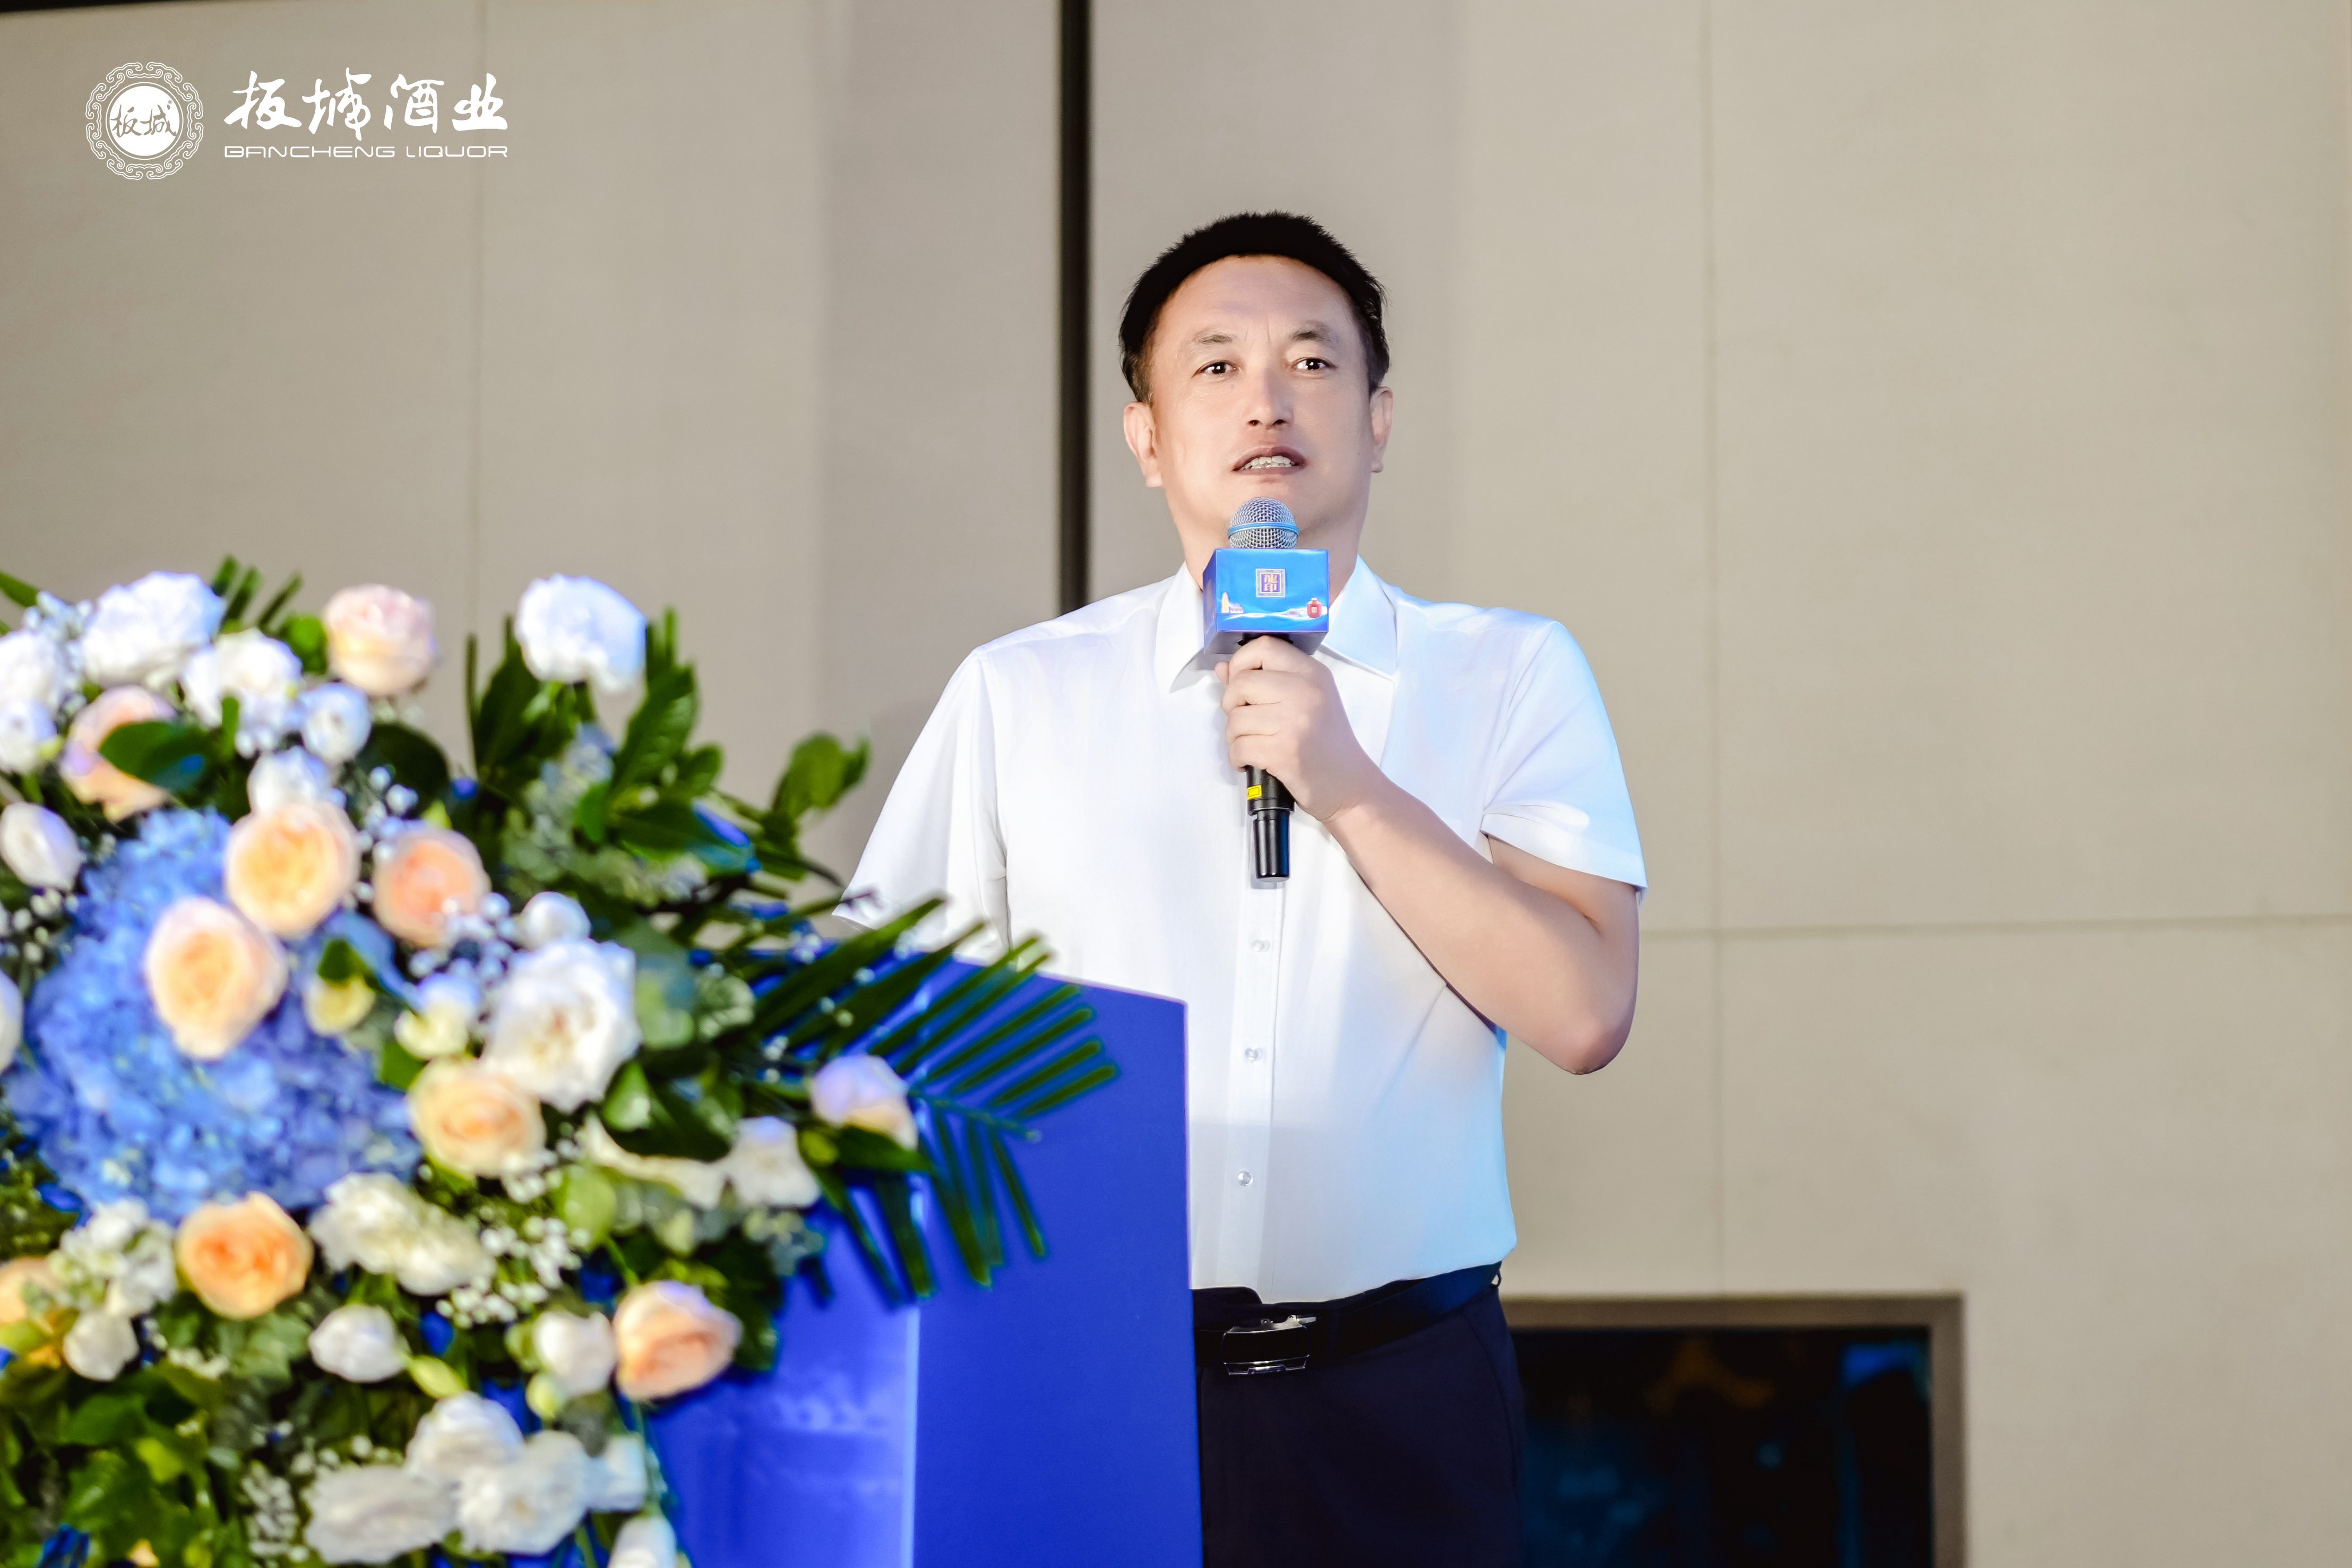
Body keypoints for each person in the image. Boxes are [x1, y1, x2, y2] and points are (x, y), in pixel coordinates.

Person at [850, 211, 1645, 1567]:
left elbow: (1582, 1012)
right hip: (1085, 1384)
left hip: (1400, 1392)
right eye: (1214, 365)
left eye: (1312, 362)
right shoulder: (1020, 693)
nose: (1266, 398)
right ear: (1146, 436)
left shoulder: (1506, 672)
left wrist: (1347, 784)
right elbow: (883, 1034)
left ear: (1379, 420)